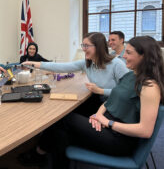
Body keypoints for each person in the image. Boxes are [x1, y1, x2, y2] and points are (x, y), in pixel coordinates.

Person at [19, 36, 164, 168]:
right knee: (61, 134)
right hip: (107, 125)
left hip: (119, 139)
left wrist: (108, 123)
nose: (123, 55)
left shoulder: (150, 87)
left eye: (129, 53)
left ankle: (39, 153)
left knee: (64, 120)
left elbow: (145, 131)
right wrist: (98, 115)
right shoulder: (131, 76)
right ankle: (46, 158)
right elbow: (111, 100)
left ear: (144, 56)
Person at [23, 32, 129, 117]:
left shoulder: (116, 64)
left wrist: (101, 91)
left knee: (66, 118)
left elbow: (128, 92)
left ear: (98, 47)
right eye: (83, 45)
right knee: (63, 115)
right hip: (100, 103)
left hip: (115, 108)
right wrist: (34, 64)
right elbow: (60, 67)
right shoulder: (87, 63)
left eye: (86, 45)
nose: (83, 49)